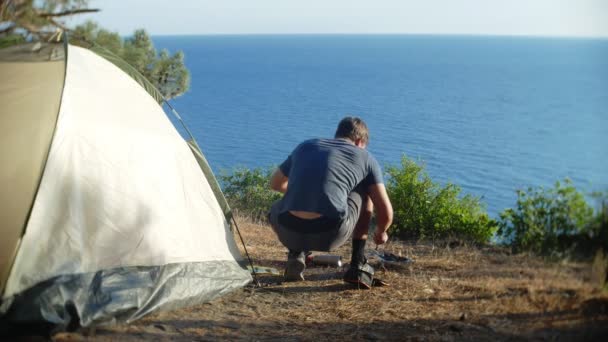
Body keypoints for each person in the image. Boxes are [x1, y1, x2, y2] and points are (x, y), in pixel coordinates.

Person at [268, 116, 393, 288]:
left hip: (287, 230)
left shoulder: (305, 146)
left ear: (337, 135)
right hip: (330, 234)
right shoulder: (365, 157)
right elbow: (385, 210)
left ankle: (295, 255)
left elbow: (275, 184)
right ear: (359, 142)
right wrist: (382, 231)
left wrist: (304, 191)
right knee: (364, 190)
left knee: (279, 206)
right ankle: (358, 265)